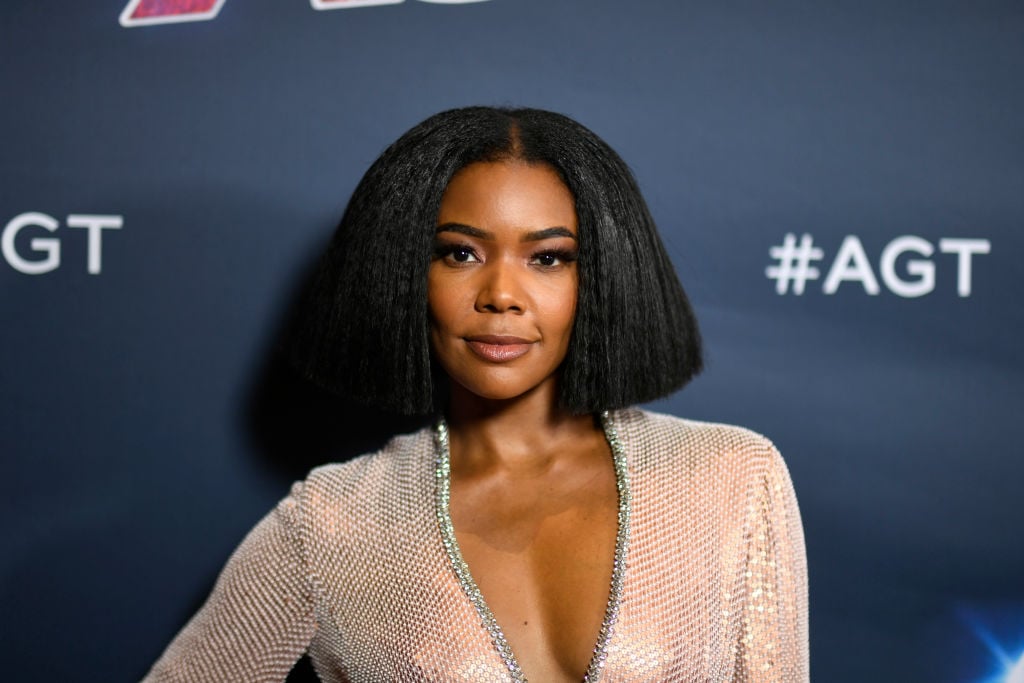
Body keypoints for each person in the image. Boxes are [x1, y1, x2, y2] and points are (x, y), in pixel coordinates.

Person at [142, 106, 808, 682]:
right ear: (405, 271)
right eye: (459, 253)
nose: (500, 295)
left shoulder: (731, 475)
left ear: (599, 277)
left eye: (548, 257)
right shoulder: (332, 522)